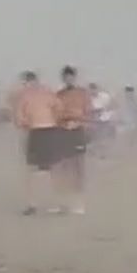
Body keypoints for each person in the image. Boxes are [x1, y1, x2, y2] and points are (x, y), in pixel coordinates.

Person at [10, 71, 61, 215]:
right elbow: (59, 108)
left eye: (24, 83)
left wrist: (26, 124)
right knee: (50, 169)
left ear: (27, 82)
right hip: (50, 130)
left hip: (37, 131)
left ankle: (33, 204)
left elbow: (19, 119)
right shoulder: (47, 92)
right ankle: (55, 203)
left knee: (33, 170)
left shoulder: (25, 95)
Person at [54, 67, 92, 214]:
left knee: (78, 168)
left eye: (70, 77)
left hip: (77, 131)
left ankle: (79, 203)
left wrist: (78, 122)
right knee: (62, 168)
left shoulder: (82, 94)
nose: (68, 79)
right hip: (63, 132)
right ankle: (63, 203)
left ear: (74, 78)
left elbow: (88, 113)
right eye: (65, 77)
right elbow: (55, 114)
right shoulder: (59, 95)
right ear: (63, 78)